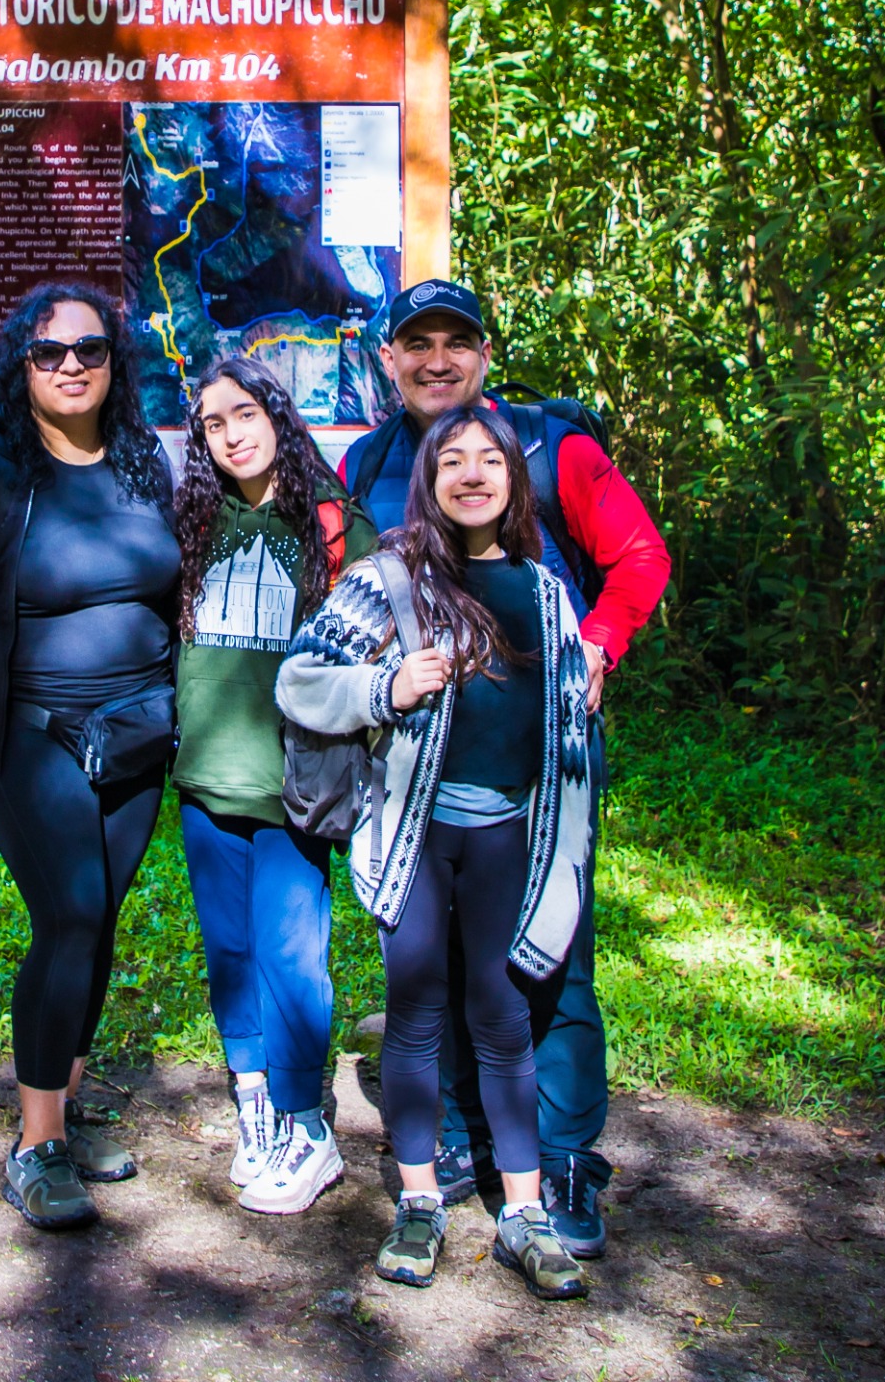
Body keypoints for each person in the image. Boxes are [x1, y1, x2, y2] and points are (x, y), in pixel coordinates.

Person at [338, 278, 671, 1258]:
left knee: (554, 951)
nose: (436, 358)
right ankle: (446, 1133)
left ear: (484, 354)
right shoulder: (367, 459)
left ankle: (564, 1156)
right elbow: (350, 590)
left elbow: (639, 554)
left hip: (545, 755)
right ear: (388, 357)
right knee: (428, 957)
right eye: (417, 342)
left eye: (456, 341)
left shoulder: (549, 446)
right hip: (421, 758)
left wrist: (600, 645)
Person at [278, 403, 600, 1301]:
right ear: (428, 480)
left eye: (488, 460)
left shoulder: (543, 590)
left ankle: (525, 1214)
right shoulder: (389, 580)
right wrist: (387, 684)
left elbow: (569, 732)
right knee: (417, 1010)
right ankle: (419, 1203)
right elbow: (299, 679)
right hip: (414, 836)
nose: (470, 474)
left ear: (512, 480)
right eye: (450, 460)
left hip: (509, 838)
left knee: (504, 1017)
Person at [0, 282, 182, 1232]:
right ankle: (34, 1147)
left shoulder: (145, 461)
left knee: (97, 925)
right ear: (20, 366)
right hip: (31, 734)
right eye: (49, 352)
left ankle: (60, 1109)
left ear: (116, 363)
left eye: (90, 350)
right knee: (68, 913)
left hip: (140, 733)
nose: (71, 366)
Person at [168, 356, 375, 1214]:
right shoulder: (192, 522)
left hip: (294, 785)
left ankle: (306, 1127)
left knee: (293, 957)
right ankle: (255, 1103)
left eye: (245, 414)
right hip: (204, 777)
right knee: (231, 953)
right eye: (213, 424)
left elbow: (372, 649)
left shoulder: (331, 524)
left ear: (277, 416)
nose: (231, 434)